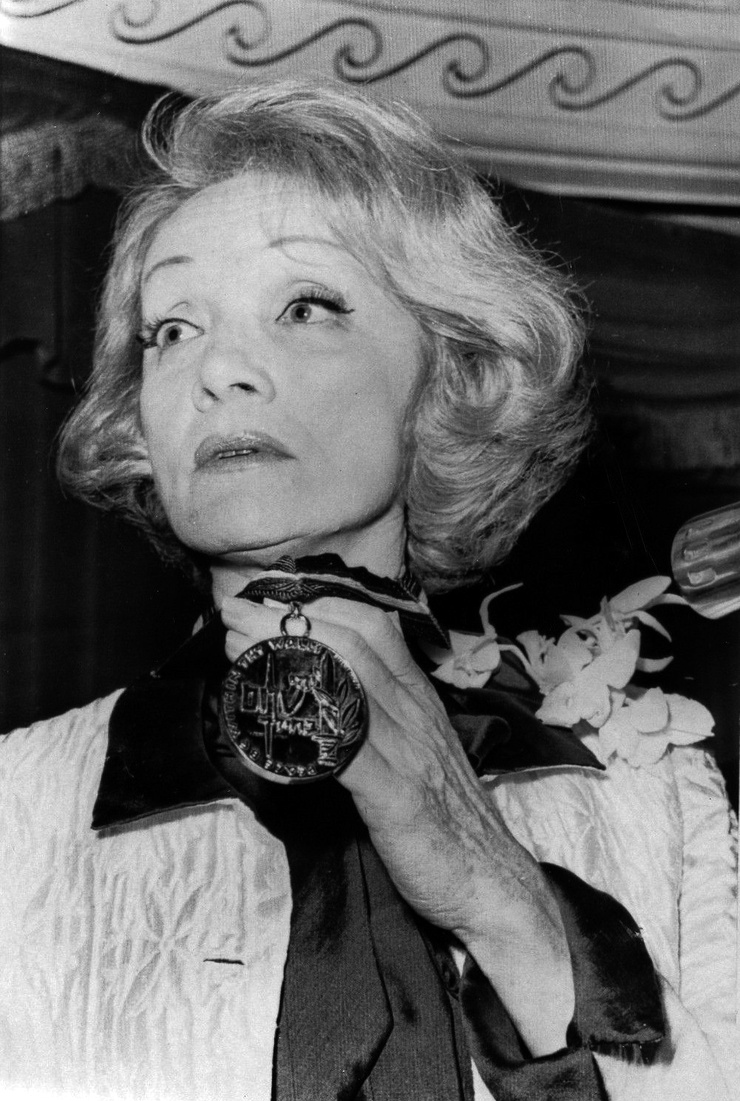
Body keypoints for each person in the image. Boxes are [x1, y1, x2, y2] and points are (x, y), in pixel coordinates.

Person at [0, 81, 735, 1101]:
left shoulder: (657, 801)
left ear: (450, 375)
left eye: (305, 307)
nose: (218, 370)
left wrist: (504, 901)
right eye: (172, 328)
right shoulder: (17, 807)